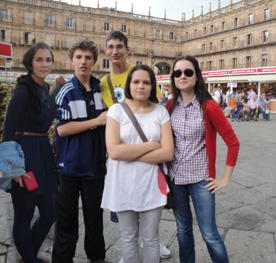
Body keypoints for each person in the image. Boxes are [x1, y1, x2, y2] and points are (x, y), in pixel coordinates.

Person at [99, 30, 172, 260]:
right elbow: (113, 151)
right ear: (130, 85)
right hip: (121, 183)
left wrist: (127, 152)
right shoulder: (115, 111)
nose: (141, 86)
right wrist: (151, 146)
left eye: (146, 82)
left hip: (152, 183)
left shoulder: (161, 112)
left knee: (151, 238)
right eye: (137, 82)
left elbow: (167, 152)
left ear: (153, 86)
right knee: (128, 237)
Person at [166, 56, 240, 263]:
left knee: (209, 233)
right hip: (176, 179)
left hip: (201, 180)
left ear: (197, 76)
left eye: (188, 72)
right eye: (177, 72)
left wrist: (225, 179)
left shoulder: (209, 106)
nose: (182, 76)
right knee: (183, 230)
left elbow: (233, 142)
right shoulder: (170, 105)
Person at [2, 42, 59, 263]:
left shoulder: (43, 88)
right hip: (25, 156)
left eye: (48, 59)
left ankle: (28, 257)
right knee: (24, 216)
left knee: (48, 214)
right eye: (39, 59)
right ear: (29, 63)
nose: (45, 64)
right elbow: (8, 132)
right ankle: (29, 259)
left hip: (43, 154)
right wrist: (15, 170)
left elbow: (43, 111)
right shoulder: (22, 90)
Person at [52, 39, 108, 263]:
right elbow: (63, 129)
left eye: (88, 57)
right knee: (66, 221)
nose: (83, 62)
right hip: (69, 167)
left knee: (95, 219)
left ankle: (97, 258)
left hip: (95, 167)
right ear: (71, 60)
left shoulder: (101, 89)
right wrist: (95, 121)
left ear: (94, 61)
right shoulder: (64, 91)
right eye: (79, 57)